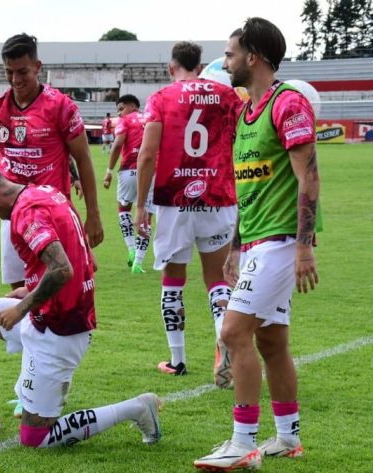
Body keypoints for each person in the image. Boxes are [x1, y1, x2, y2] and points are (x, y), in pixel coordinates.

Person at [0, 164, 162, 448]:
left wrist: (22, 307)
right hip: (43, 312)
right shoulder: (47, 193)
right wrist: (31, 287)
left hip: (59, 327)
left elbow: (61, 270)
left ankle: (138, 408)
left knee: (36, 438)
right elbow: (87, 262)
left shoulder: (26, 212)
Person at [194, 18, 321, 470]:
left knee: (232, 333)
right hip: (257, 242)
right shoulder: (249, 113)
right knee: (271, 341)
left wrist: (305, 246)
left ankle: (242, 443)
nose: (225, 63)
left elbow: (308, 176)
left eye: (230, 54)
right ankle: (287, 438)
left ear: (253, 57)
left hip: (282, 243)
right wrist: (235, 246)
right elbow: (251, 190)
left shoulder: (288, 103)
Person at [0, 33, 103, 290]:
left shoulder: (61, 107)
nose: (16, 79)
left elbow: (83, 159)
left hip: (54, 214)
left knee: (65, 288)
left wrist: (93, 214)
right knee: (18, 291)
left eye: (22, 71)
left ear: (38, 67)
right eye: (9, 72)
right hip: (11, 214)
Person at [135, 41, 241, 386]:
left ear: (172, 67)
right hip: (218, 196)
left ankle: (178, 360)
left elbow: (148, 155)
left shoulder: (163, 98)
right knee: (217, 280)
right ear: (200, 65)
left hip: (174, 201)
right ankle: (224, 339)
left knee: (173, 281)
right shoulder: (226, 95)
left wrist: (140, 205)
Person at [103, 94, 155, 273]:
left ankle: (131, 249)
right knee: (147, 217)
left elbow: (117, 145)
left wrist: (109, 171)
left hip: (128, 171)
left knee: (123, 210)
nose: (120, 113)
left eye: (121, 108)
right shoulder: (151, 118)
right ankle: (138, 263)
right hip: (151, 171)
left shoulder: (125, 121)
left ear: (133, 106)